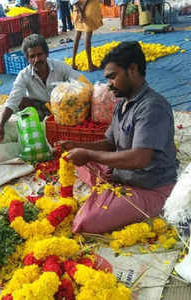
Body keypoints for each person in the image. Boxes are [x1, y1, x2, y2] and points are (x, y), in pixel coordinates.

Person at [60, 41, 177, 234]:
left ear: (132, 69)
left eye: (112, 77)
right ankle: (108, 191)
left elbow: (139, 159)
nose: (109, 85)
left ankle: (112, 197)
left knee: (85, 223)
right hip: (121, 173)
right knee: (76, 161)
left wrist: (89, 154)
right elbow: (110, 143)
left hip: (149, 186)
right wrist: (77, 145)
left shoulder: (152, 107)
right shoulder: (122, 102)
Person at [0, 34, 81, 143]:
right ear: (27, 59)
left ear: (47, 53)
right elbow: (12, 100)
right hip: (40, 109)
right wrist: (0, 125)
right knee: (22, 101)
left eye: (40, 54)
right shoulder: (24, 75)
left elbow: (80, 81)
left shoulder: (60, 66)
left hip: (62, 107)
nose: (37, 59)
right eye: (32, 56)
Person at [71, 0, 103, 72]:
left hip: (77, 10)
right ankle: (90, 65)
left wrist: (80, 10)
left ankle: (73, 63)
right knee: (87, 36)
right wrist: (82, 10)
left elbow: (73, 1)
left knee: (77, 34)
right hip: (86, 9)